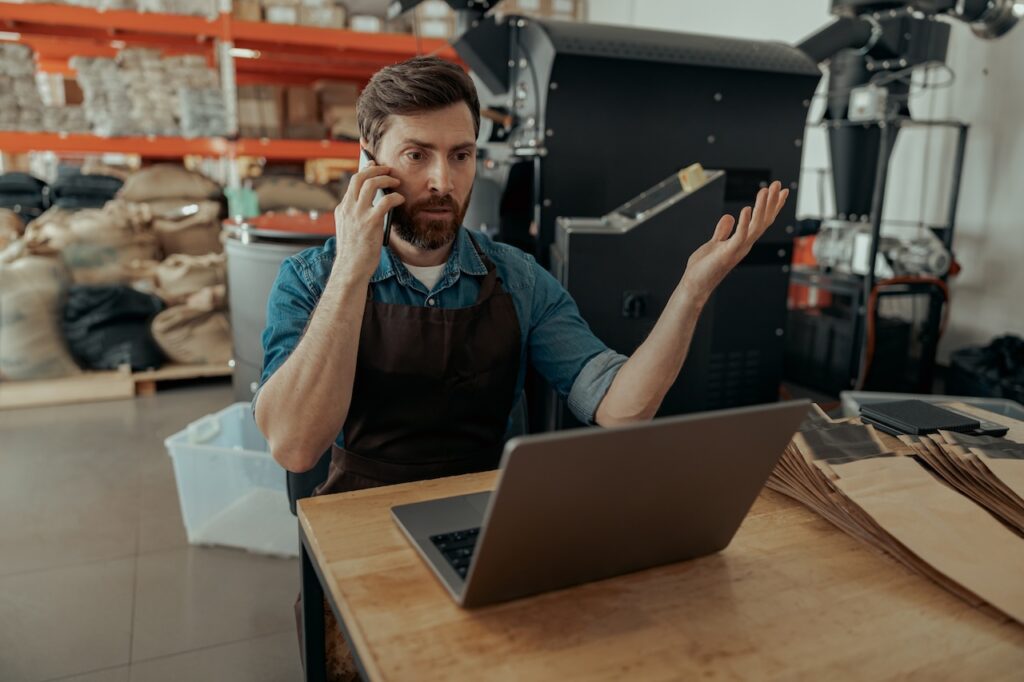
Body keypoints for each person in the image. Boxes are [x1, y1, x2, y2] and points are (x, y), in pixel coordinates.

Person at [254, 55, 788, 680]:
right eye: (416, 155)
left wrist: (692, 292)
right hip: (361, 532)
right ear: (368, 162)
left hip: (490, 531)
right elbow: (295, 445)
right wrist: (352, 269)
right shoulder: (310, 280)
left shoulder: (518, 278)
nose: (442, 181)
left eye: (460, 155)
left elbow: (621, 408)